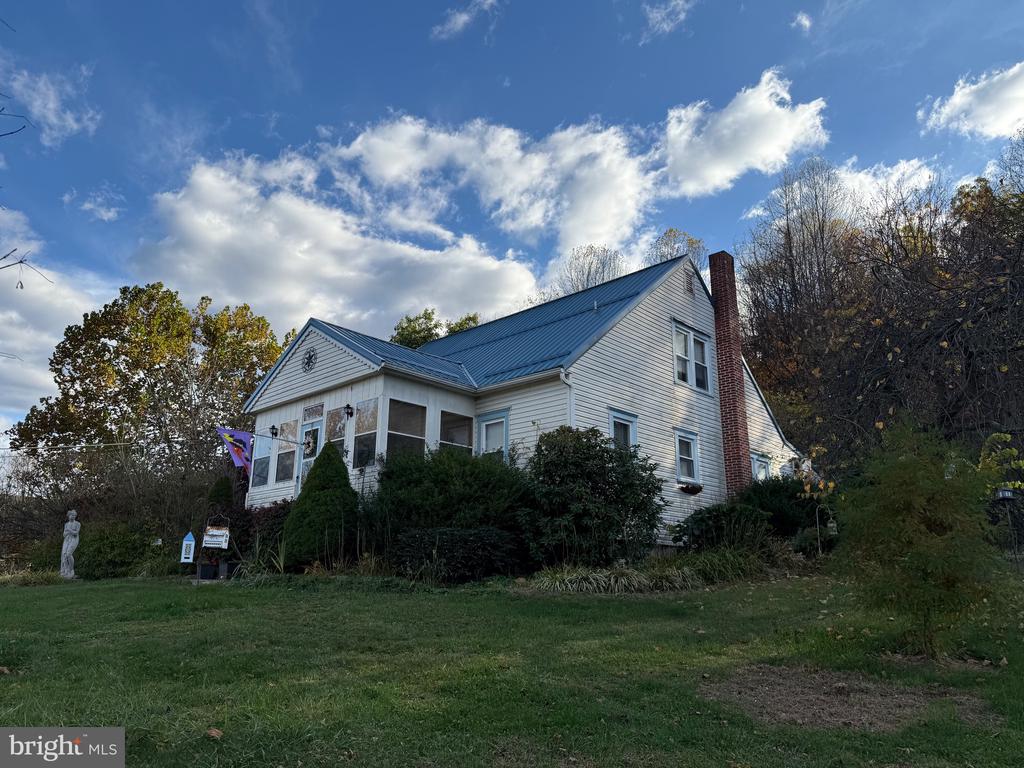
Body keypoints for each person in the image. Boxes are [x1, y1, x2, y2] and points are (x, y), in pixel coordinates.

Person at [60, 509, 81, 580]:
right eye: (71, 515)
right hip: (67, 540)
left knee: (69, 554)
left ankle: (71, 570)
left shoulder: (78, 524)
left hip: (74, 540)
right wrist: (69, 531)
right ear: (68, 516)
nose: (73, 517)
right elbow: (64, 534)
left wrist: (69, 530)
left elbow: (76, 533)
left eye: (74, 515)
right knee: (64, 555)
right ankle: (66, 572)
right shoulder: (66, 524)